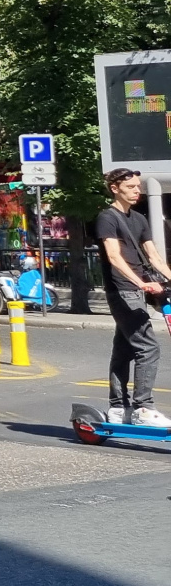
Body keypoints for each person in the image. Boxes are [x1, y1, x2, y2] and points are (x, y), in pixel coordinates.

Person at [95, 168, 170, 427]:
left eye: (138, 186)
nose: (137, 191)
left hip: (136, 290)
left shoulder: (139, 219)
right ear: (115, 188)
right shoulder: (107, 218)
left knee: (124, 348)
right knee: (148, 347)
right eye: (131, 187)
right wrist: (140, 283)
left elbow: (154, 257)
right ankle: (142, 408)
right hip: (122, 290)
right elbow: (114, 257)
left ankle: (118, 408)